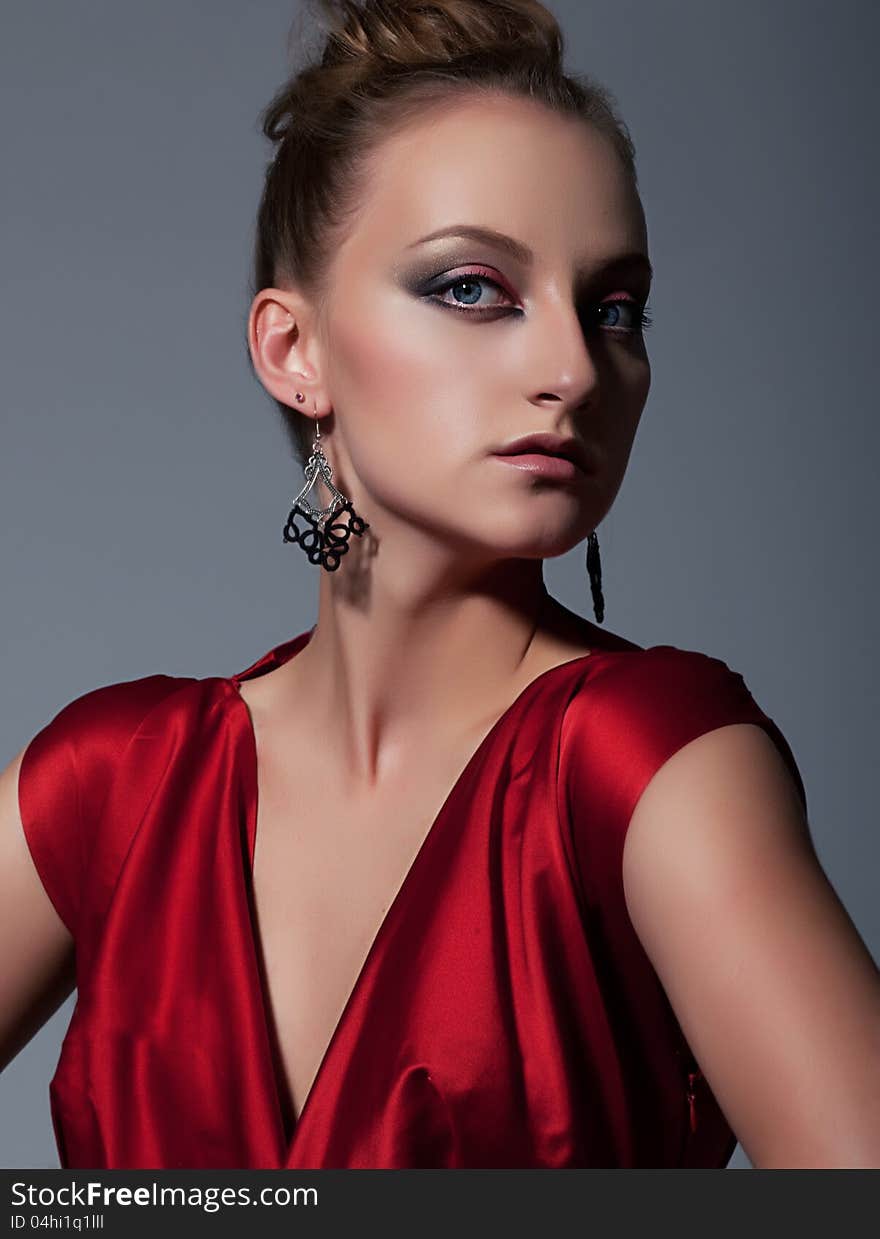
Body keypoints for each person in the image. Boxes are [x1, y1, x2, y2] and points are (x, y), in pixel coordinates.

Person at [1, 0, 878, 1170]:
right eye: (474, 289)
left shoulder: (646, 767)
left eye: (614, 309)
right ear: (292, 350)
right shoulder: (113, 787)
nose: (572, 369)